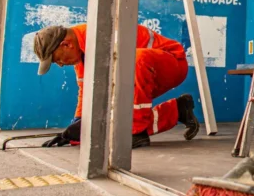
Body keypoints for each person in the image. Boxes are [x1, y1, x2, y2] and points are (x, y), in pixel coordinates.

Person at [33, 23, 200, 149]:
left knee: (134, 61)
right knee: (112, 126)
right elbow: (87, 91)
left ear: (66, 44)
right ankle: (178, 110)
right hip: (137, 74)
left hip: (172, 64)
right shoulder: (80, 52)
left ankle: (137, 133)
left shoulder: (101, 35)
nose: (60, 64)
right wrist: (77, 129)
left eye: (57, 59)